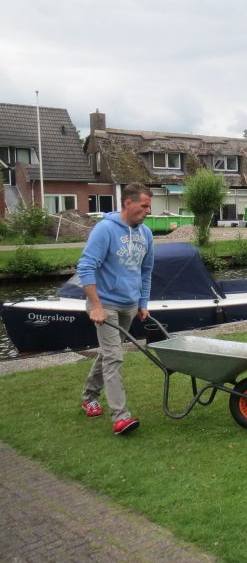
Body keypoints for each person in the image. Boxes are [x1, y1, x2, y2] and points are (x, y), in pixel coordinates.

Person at [78, 183, 154, 435]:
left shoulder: (146, 234)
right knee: (114, 356)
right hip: (105, 304)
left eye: (149, 206)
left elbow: (146, 270)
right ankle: (121, 417)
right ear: (128, 203)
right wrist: (96, 306)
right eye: (144, 205)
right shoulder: (105, 229)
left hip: (129, 305)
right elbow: (86, 267)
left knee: (109, 353)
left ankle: (89, 396)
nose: (148, 211)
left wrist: (143, 303)